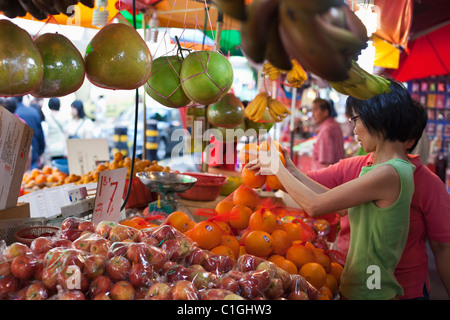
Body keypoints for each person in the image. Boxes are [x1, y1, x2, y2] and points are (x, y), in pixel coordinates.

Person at [248, 78, 426, 300]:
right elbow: (340, 207)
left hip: (370, 292)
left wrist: (276, 167)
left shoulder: (389, 173)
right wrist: (291, 170)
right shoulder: (388, 169)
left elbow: (314, 205)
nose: (354, 131)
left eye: (355, 120)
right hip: (364, 288)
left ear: (377, 119)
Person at [310, 98, 345, 170]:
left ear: (326, 112)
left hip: (323, 177)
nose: (313, 115)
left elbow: (327, 163)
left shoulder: (326, 129)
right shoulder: (335, 125)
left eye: (315, 110)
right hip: (337, 172)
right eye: (312, 111)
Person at [14, 96, 46, 169]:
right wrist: (40, 153)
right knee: (31, 178)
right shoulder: (34, 112)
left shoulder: (12, 113)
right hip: (33, 155)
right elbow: (41, 135)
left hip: (15, 158)